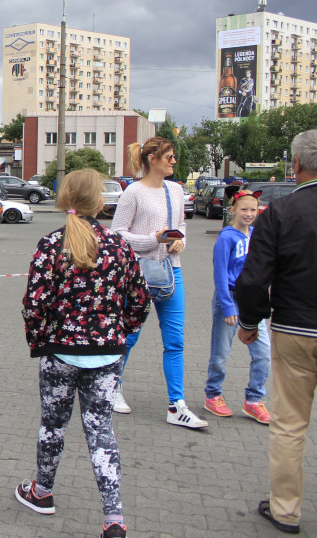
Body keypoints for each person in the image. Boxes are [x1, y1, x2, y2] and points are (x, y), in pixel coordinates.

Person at [17, 169, 150, 538]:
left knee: (52, 426)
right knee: (101, 431)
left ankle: (42, 492)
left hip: (60, 354)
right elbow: (139, 301)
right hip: (107, 355)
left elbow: (35, 304)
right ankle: (114, 517)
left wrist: (40, 340)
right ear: (100, 201)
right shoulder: (119, 246)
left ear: (64, 198)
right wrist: (120, 331)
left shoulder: (51, 244)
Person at [237, 128, 317, 535]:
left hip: (297, 330)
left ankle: (286, 510)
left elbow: (253, 281)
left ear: (296, 164)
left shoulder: (281, 212)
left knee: (290, 424)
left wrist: (250, 323)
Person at [111, 136, 207, 428]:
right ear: (152, 159)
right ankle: (112, 387)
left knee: (175, 340)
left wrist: (180, 243)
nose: (174, 161)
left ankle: (177, 406)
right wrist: (152, 239)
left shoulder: (176, 191)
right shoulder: (134, 193)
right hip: (139, 274)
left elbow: (181, 227)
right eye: (169, 156)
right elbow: (117, 234)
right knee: (130, 335)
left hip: (170, 271)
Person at [204, 189, 270, 423]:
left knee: (263, 353)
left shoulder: (256, 234)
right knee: (221, 353)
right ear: (233, 210)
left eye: (253, 209)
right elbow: (220, 274)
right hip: (230, 299)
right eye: (244, 209)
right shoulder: (227, 237)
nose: (249, 214)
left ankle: (254, 399)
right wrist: (227, 306)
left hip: (252, 301)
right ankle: (213, 394)